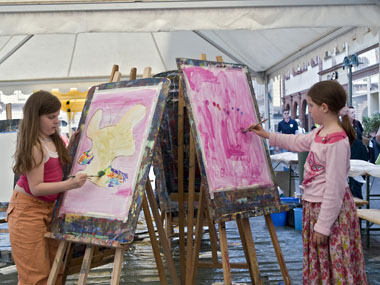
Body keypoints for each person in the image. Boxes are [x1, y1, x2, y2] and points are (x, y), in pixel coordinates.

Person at [249, 80, 367, 284]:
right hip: (315, 208)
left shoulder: (337, 141)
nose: (309, 110)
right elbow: (295, 142)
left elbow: (335, 189)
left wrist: (323, 226)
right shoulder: (319, 133)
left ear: (324, 107)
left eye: (311, 105)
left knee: (333, 261)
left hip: (330, 214)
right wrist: (266, 135)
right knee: (321, 262)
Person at [6, 91, 87, 284]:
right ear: (35, 118)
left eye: (57, 117)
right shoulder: (35, 145)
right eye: (51, 117)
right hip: (27, 210)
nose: (56, 121)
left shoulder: (54, 140)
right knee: (36, 276)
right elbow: (37, 188)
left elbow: (55, 167)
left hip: (49, 209)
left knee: (55, 271)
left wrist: (72, 147)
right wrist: (71, 184)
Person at [348, 106, 368, 199]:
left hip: (361, 151)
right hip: (352, 152)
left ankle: (355, 194)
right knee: (354, 176)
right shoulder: (344, 126)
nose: (354, 114)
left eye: (354, 112)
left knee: (362, 175)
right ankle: (357, 198)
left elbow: (362, 135)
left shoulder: (357, 123)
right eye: (352, 113)